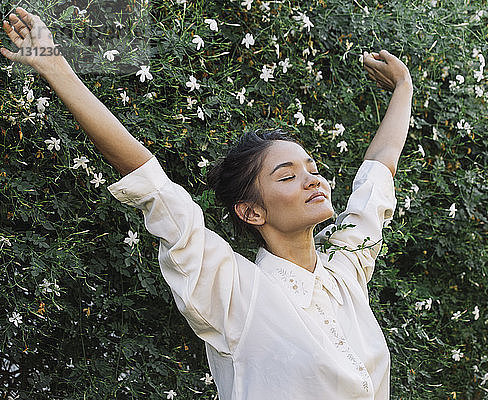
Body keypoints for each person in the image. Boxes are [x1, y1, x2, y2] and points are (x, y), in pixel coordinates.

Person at [1, 7, 412, 399]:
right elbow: (151, 182)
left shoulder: (346, 270)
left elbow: (377, 174)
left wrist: (403, 89)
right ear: (252, 212)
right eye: (287, 176)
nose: (312, 180)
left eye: (311, 167)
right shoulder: (235, 291)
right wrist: (55, 66)